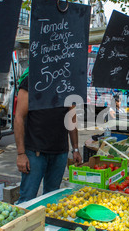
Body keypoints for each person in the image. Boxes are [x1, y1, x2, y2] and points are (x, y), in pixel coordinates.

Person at [14, 75, 82, 203]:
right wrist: (21, 153)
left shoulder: (66, 82)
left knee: (52, 198)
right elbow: (19, 118)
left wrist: (76, 148)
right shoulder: (31, 80)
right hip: (35, 152)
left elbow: (71, 118)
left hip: (60, 151)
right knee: (27, 198)